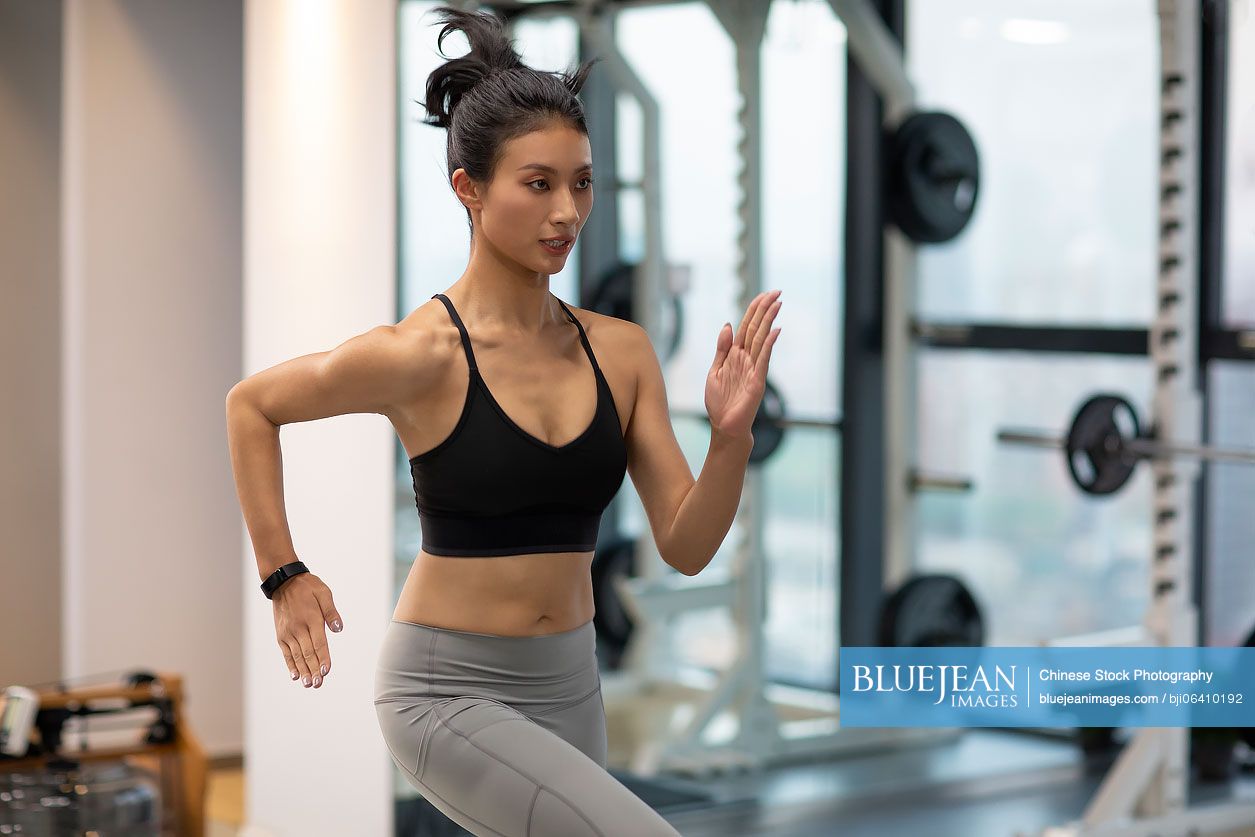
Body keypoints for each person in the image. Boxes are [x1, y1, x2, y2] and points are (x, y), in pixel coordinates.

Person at [225, 6, 782, 835]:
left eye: (581, 182)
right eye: (539, 184)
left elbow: (686, 545)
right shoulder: (420, 353)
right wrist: (283, 574)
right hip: (443, 690)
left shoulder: (620, 353)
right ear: (469, 189)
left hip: (570, 681)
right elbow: (252, 404)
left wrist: (729, 437)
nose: (567, 211)